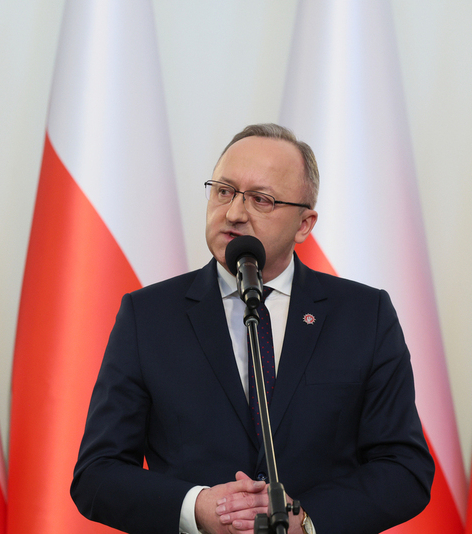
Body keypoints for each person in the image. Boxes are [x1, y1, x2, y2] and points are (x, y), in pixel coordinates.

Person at [71, 124, 433, 534]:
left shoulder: (364, 315)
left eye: (261, 199)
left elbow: (405, 468)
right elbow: (97, 474)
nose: (234, 213)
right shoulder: (147, 316)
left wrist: (309, 521)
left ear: (304, 224)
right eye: (223, 191)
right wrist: (198, 508)